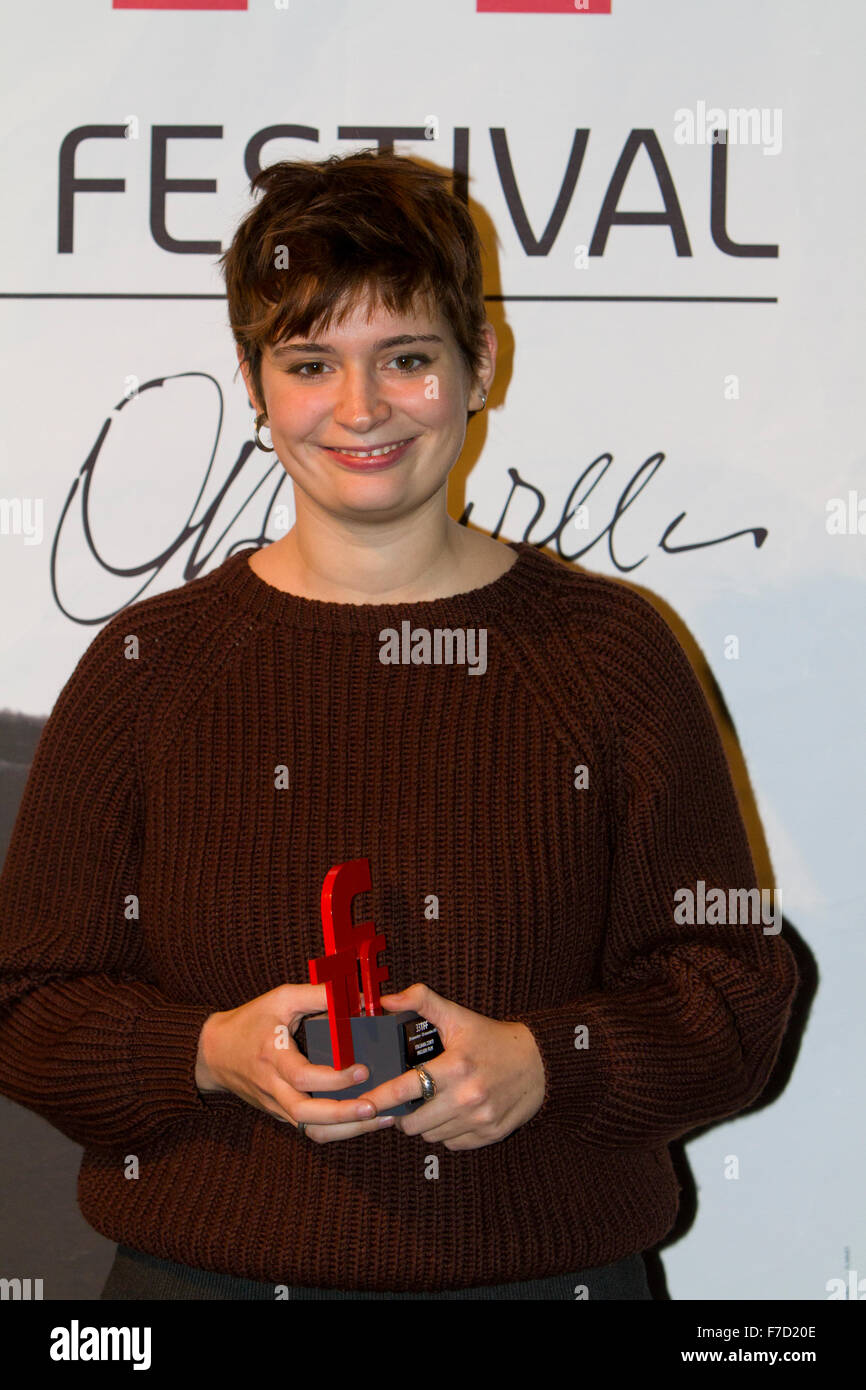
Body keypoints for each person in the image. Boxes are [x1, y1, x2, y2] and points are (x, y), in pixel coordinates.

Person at [0, 149, 799, 1301]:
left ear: (479, 366)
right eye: (311, 361)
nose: (360, 409)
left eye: (406, 357)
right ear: (253, 379)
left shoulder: (607, 652)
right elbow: (26, 998)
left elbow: (732, 984)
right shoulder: (150, 664)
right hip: (203, 1284)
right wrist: (208, 1055)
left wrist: (545, 1061)